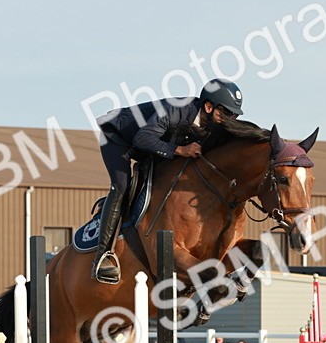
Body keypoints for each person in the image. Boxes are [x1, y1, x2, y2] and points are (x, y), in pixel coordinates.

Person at [91, 78, 245, 284]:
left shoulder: (212, 125)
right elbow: (142, 139)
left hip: (153, 142)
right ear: (208, 107)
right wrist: (181, 150)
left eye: (234, 115)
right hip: (119, 138)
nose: (231, 119)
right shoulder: (177, 111)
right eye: (227, 113)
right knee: (122, 186)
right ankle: (103, 256)